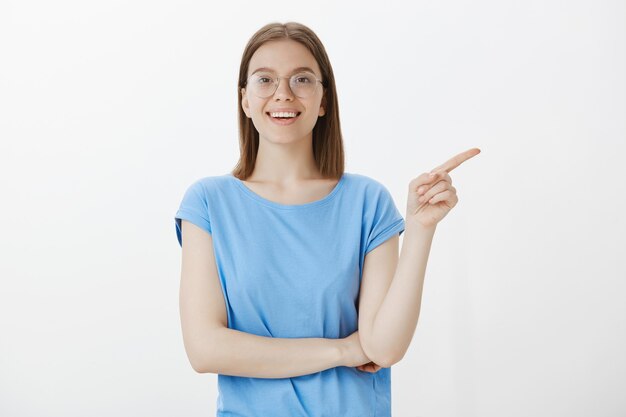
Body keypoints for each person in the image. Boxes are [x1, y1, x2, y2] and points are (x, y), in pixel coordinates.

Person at [174, 21, 479, 417]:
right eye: (265, 79)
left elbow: (385, 348)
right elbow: (204, 349)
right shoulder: (208, 203)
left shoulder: (367, 201)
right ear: (245, 100)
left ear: (323, 100)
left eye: (301, 78)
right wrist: (343, 350)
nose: (283, 94)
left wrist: (420, 230)